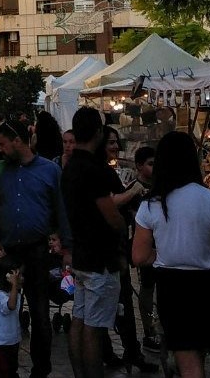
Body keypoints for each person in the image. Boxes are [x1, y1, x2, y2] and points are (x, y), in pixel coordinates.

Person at [132, 130, 210, 378]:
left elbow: (139, 256)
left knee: (189, 364)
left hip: (173, 288)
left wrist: (163, 254)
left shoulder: (151, 204)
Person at [0, 121, 71, 378]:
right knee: (3, 312)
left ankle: (40, 369)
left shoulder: (50, 170)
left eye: (2, 144)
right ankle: (6, 370)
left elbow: (61, 210)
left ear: (18, 141)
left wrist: (66, 247)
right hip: (8, 251)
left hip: (37, 251)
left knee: (40, 313)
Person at [62, 108, 126, 378]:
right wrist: (123, 229)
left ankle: (80, 373)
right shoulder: (92, 170)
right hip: (100, 258)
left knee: (80, 319)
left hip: (81, 254)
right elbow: (111, 216)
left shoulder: (69, 167)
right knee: (95, 327)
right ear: (98, 132)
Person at [102, 127, 153, 372]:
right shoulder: (101, 173)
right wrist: (132, 192)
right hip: (109, 250)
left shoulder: (108, 171)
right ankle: (122, 352)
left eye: (116, 142)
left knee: (121, 302)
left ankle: (129, 351)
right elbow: (111, 204)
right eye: (110, 142)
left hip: (117, 248)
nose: (115, 147)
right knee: (117, 301)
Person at [131, 144, 159, 350]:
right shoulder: (133, 190)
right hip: (146, 247)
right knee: (147, 288)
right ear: (139, 166)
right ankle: (149, 328)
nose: (154, 167)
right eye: (150, 163)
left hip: (163, 245)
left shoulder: (161, 187)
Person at [0, 259, 25, 378]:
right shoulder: (0, 295)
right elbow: (11, 306)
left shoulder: (14, 294)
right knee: (4, 372)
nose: (22, 278)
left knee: (11, 371)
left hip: (11, 341)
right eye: (19, 275)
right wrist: (14, 286)